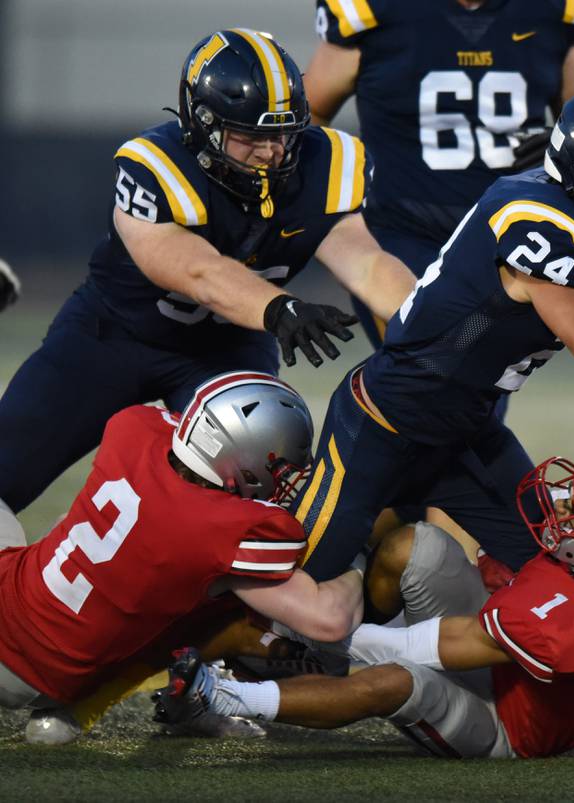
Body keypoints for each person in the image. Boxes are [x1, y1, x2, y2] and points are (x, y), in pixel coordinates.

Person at [286, 85, 574, 587]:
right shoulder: (541, 223)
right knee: (302, 582)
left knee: (557, 576)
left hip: (467, 431)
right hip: (385, 423)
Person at [0, 28, 414, 516]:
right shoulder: (155, 165)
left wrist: (435, 325)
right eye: (251, 136)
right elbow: (195, 270)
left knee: (255, 489)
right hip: (111, 336)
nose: (272, 151)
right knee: (7, 468)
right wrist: (277, 309)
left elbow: (367, 263)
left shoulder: (325, 163)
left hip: (227, 350)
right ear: (203, 124)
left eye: (283, 132)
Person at [154, 450, 574, 759]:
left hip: (508, 726)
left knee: (393, 678)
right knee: (419, 546)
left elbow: (414, 648)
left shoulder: (571, 626)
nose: (565, 507)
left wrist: (301, 621)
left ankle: (227, 696)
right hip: (517, 654)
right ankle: (293, 656)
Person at [0, 371, 364, 744]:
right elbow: (329, 620)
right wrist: (357, 554)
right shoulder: (228, 527)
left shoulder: (132, 427)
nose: (288, 474)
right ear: (244, 459)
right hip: (50, 679)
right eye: (280, 464)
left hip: (15, 604)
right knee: (227, 595)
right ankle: (172, 696)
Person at [306, 0, 574, 348]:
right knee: (422, 372)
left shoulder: (553, 10)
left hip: (506, 239)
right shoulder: (372, 10)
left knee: (482, 386)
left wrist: (559, 145)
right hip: (402, 232)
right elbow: (310, 118)